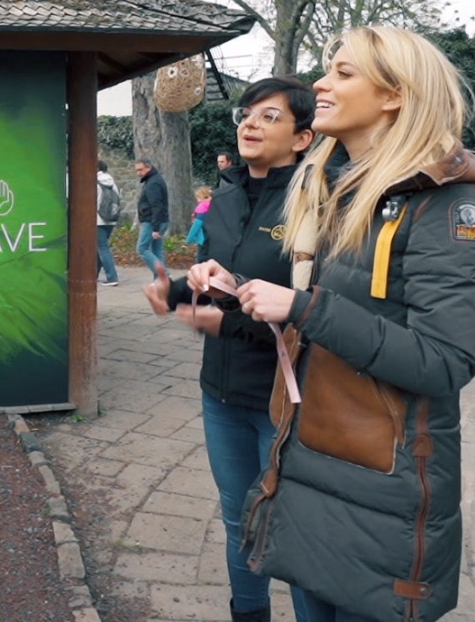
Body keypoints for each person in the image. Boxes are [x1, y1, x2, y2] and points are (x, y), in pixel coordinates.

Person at [190, 26, 475, 622]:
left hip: (381, 474)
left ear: (395, 94)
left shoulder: (447, 204)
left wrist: (304, 308)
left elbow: (445, 361)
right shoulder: (337, 191)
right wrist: (238, 294)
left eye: (343, 73)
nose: (321, 84)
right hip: (310, 448)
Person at [143, 76, 316, 622]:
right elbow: (224, 276)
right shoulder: (225, 194)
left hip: (285, 397)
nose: (249, 123)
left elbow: (309, 302)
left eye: (270, 117)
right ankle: (249, 612)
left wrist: (225, 324)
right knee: (238, 516)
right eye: (247, 113)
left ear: (303, 138)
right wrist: (172, 292)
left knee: (293, 521)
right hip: (221, 391)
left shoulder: (318, 204)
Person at [134, 157, 169, 274]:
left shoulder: (153, 183)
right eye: (137, 170)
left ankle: (163, 274)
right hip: (158, 220)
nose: (139, 173)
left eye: (140, 170)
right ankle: (161, 283)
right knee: (156, 250)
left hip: (151, 221)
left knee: (142, 249)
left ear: (148, 168)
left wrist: (155, 228)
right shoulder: (154, 180)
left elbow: (156, 205)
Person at [96, 159, 120, 287]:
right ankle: (93, 274)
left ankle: (112, 277)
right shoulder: (112, 183)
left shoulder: (94, 182)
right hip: (111, 219)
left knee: (102, 248)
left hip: (98, 219)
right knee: (100, 247)